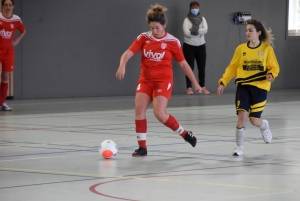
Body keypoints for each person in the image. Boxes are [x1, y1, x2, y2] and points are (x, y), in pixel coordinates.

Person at [116, 4, 202, 157]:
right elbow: (128, 53)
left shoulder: (172, 42)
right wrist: (122, 65)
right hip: (145, 80)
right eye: (152, 28)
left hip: (163, 80)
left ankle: (184, 134)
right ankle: (142, 147)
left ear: (164, 26)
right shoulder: (144, 38)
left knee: (160, 114)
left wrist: (195, 83)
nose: (154, 31)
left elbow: (183, 63)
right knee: (139, 110)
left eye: (157, 28)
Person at [217, 19, 280, 156]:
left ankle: (264, 125)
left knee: (254, 120)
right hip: (243, 87)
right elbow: (232, 67)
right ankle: (239, 147)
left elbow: (274, 67)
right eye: (246, 30)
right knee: (242, 116)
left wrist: (271, 74)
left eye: (250, 30)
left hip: (260, 88)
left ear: (258, 33)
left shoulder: (266, 49)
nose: (247, 32)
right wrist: (223, 82)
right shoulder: (241, 49)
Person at [0, 0, 25, 111]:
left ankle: (2, 103)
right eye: (6, 5)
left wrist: (16, 41)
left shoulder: (16, 19)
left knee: (5, 77)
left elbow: (23, 30)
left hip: (8, 52)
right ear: (2, 6)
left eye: (10, 5)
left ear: (13, 6)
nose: (8, 7)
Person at [182, 1, 210, 95]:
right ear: (190, 9)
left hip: (201, 46)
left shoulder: (202, 19)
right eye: (193, 8)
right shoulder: (187, 20)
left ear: (199, 8)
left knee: (201, 67)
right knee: (189, 67)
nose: (194, 9)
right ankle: (189, 87)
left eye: (196, 7)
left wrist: (193, 31)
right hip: (189, 46)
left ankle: (202, 87)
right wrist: (199, 31)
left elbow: (205, 30)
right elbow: (186, 32)